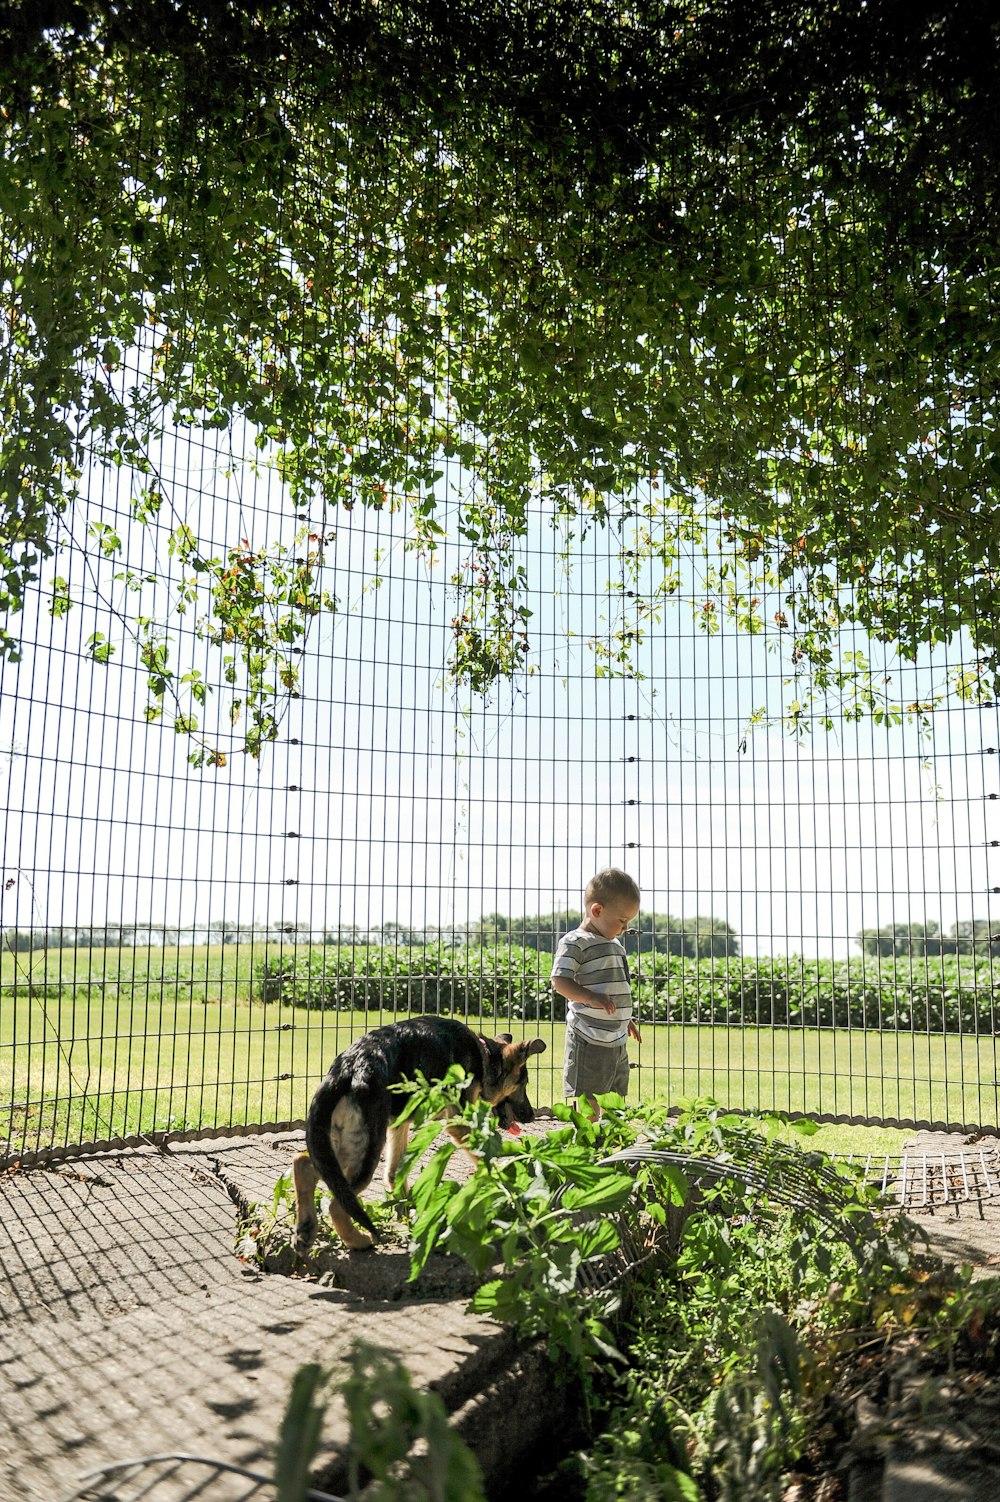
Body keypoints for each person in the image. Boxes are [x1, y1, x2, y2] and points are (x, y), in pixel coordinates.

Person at [551, 868, 642, 1118]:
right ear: (597, 911)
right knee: (588, 1095)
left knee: (615, 1095)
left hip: (615, 1039)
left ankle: (610, 1141)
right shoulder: (575, 942)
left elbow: (616, 986)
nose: (624, 928)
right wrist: (590, 998)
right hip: (588, 1036)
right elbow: (560, 981)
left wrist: (625, 1019)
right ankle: (587, 1141)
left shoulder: (614, 945)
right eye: (622, 921)